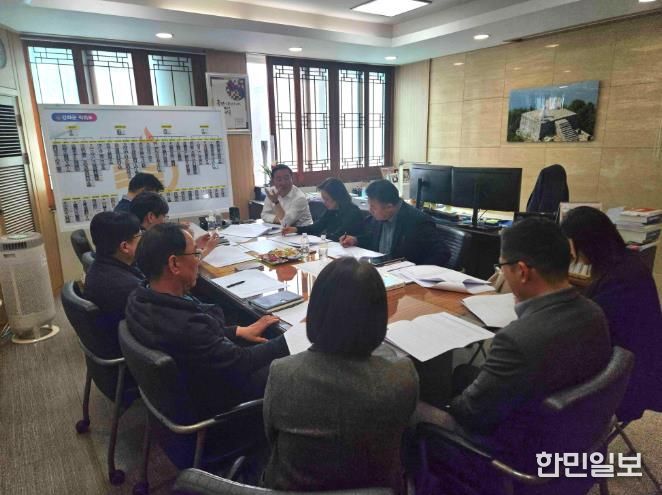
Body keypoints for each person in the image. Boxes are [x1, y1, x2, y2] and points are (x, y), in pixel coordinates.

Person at [414, 218, 611, 490]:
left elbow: (469, 413)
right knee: (461, 373)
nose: (502, 274)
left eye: (502, 266)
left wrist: (445, 405)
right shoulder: (595, 313)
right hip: (572, 439)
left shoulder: (518, 339)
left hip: (513, 459)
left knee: (410, 405)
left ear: (522, 271)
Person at [262, 257, 418, 493]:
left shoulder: (283, 373)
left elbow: (271, 439)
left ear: (315, 312)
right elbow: (403, 437)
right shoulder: (402, 375)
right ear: (380, 316)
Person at [125, 223, 289, 418]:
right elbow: (241, 361)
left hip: (191, 379)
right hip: (216, 398)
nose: (198, 259)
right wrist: (292, 338)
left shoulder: (138, 297)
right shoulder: (186, 326)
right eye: (196, 254)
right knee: (296, 367)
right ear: (174, 264)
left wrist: (236, 330)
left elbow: (198, 341)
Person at [561, 206, 662, 421]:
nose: (571, 253)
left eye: (571, 244)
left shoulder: (622, 280)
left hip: (624, 381)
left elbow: (591, 328)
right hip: (627, 364)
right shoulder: (624, 263)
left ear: (586, 243)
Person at [340, 179, 449, 266]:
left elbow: (442, 252)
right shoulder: (377, 218)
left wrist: (418, 272)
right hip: (382, 269)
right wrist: (355, 240)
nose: (370, 210)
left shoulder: (418, 221)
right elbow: (373, 239)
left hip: (407, 276)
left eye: (373, 207)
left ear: (389, 207)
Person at [84, 211, 144, 356]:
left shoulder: (98, 266)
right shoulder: (126, 287)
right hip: (131, 354)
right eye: (139, 236)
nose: (143, 241)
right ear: (125, 246)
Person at [281, 177, 364, 241]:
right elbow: (316, 227)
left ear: (337, 197)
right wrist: (296, 229)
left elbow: (337, 236)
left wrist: (319, 240)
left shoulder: (352, 212)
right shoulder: (332, 210)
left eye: (326, 199)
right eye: (323, 199)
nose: (324, 202)